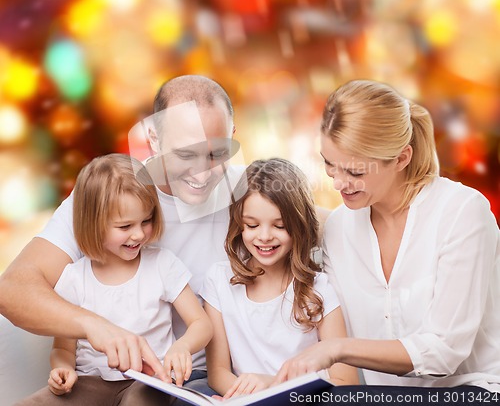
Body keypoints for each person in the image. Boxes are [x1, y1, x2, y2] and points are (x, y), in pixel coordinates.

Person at [0, 75, 242, 394]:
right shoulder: (109, 196)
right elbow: (13, 290)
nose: (202, 172)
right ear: (154, 139)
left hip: (190, 382)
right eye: (186, 154)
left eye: (216, 154)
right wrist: (94, 325)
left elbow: (313, 222)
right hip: (101, 380)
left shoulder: (248, 193)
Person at [275, 79, 500, 392]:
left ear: (401, 158)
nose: (338, 183)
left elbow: (443, 353)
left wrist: (337, 348)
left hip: (470, 391)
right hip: (383, 397)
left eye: (355, 172)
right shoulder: (340, 228)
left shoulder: (462, 213)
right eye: (330, 165)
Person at [15, 154, 213, 406]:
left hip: (151, 382)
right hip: (90, 382)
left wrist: (182, 346)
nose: (139, 233)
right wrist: (62, 370)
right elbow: (63, 348)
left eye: (146, 220)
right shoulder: (75, 278)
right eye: (125, 226)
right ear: (94, 224)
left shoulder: (162, 264)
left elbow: (201, 323)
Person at [201, 158, 359, 399]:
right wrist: (240, 397)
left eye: (280, 225)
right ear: (239, 224)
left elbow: (345, 381)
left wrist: (273, 386)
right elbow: (218, 372)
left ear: (298, 225)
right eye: (252, 225)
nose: (264, 237)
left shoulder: (319, 289)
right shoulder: (219, 280)